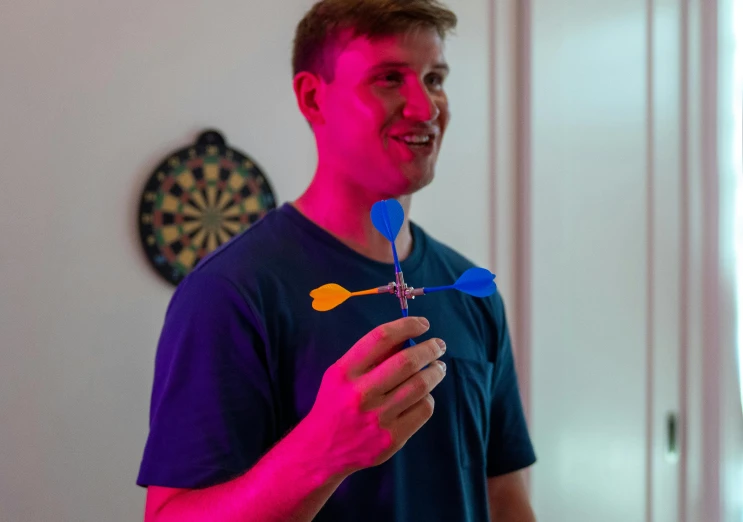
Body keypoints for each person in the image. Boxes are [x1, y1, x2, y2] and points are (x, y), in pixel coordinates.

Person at [136, 0, 537, 520]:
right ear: (312, 98)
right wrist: (321, 454)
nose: (425, 107)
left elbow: (504, 497)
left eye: (434, 78)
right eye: (390, 78)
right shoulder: (231, 293)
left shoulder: (469, 290)